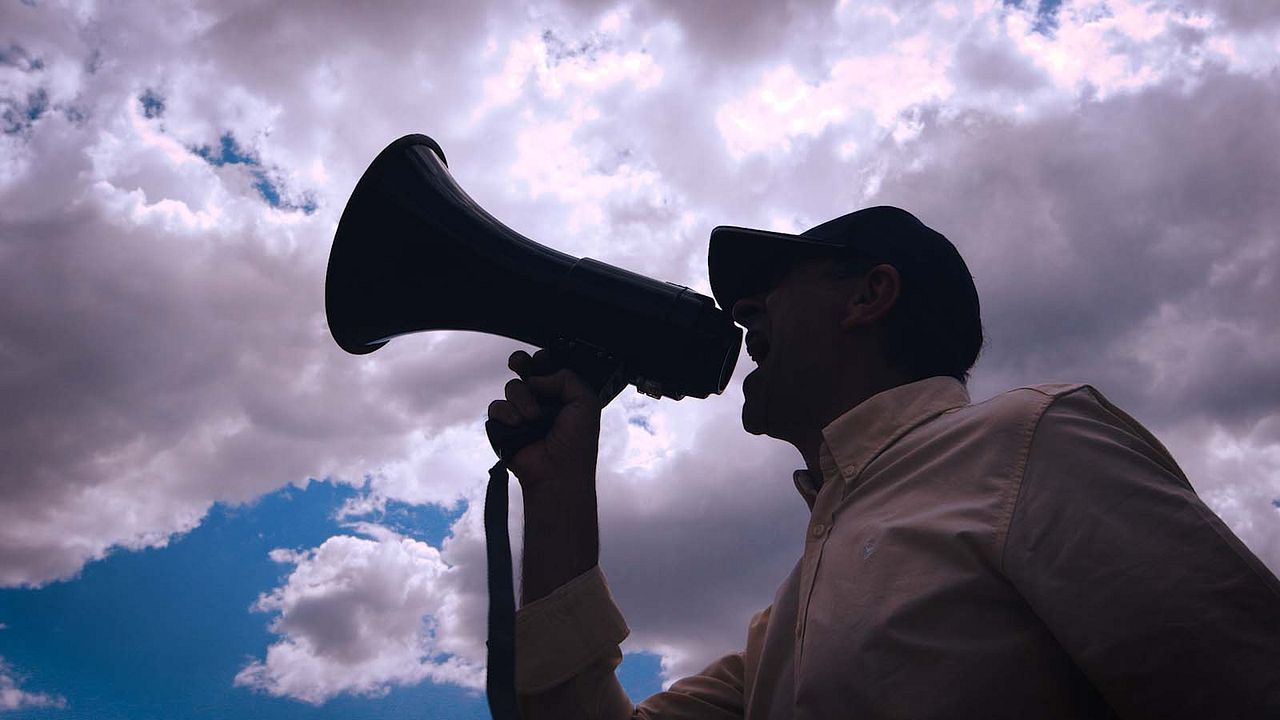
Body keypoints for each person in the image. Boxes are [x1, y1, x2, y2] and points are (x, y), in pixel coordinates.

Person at [485, 206, 1280, 719]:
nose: (739, 311)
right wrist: (556, 495)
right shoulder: (790, 620)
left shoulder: (1034, 442)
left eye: (769, 285)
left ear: (870, 296)